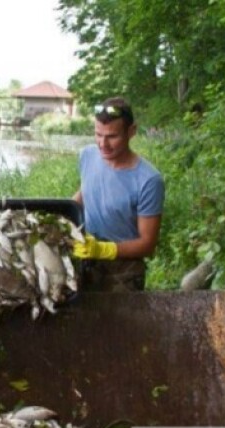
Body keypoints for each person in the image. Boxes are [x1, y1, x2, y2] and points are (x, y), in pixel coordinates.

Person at [72, 97, 165, 291]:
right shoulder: (87, 155)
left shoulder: (149, 180)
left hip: (123, 270)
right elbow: (86, 191)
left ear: (131, 131)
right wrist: (61, 213)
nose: (103, 144)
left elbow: (148, 244)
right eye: (98, 134)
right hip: (86, 259)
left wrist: (104, 250)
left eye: (112, 136)